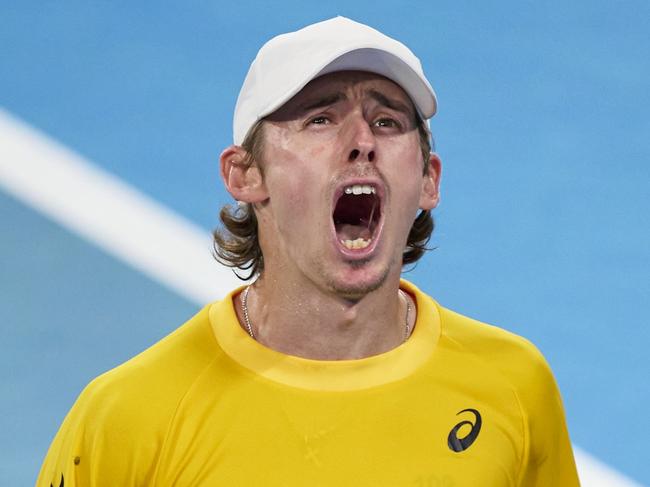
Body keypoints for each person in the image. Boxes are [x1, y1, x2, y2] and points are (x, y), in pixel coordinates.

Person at [37, 16, 580, 486]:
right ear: (245, 173)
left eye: (387, 121)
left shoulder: (513, 385)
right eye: (320, 118)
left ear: (428, 180)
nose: (361, 139)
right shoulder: (128, 418)